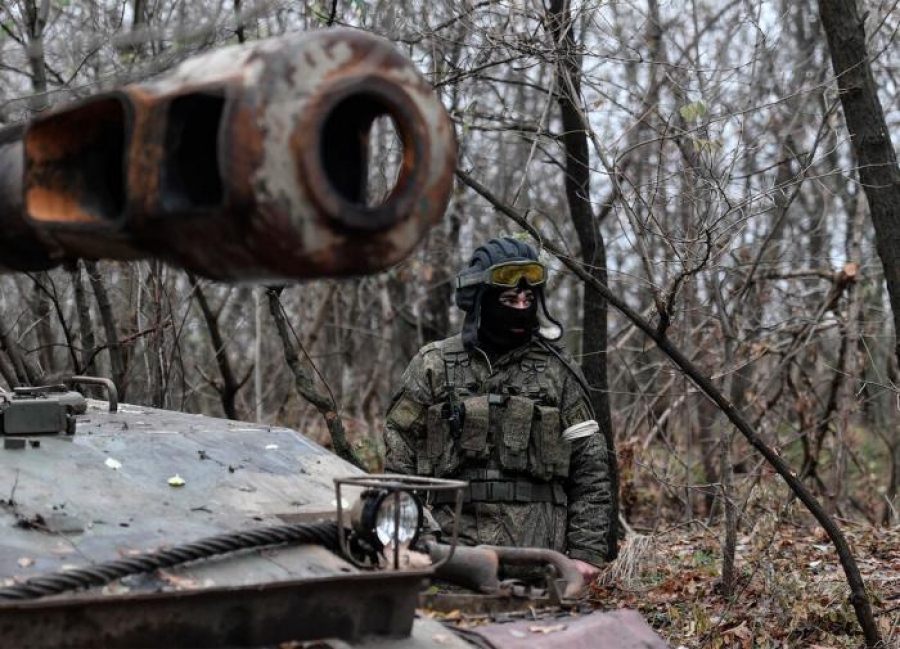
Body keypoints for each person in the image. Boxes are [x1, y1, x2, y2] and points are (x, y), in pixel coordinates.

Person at [382, 236, 615, 580]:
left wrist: (586, 553)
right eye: (508, 298)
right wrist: (410, 537)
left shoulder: (559, 371)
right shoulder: (434, 365)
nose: (521, 307)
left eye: (528, 298)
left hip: (540, 564)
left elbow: (590, 467)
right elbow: (398, 460)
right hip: (447, 557)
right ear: (481, 301)